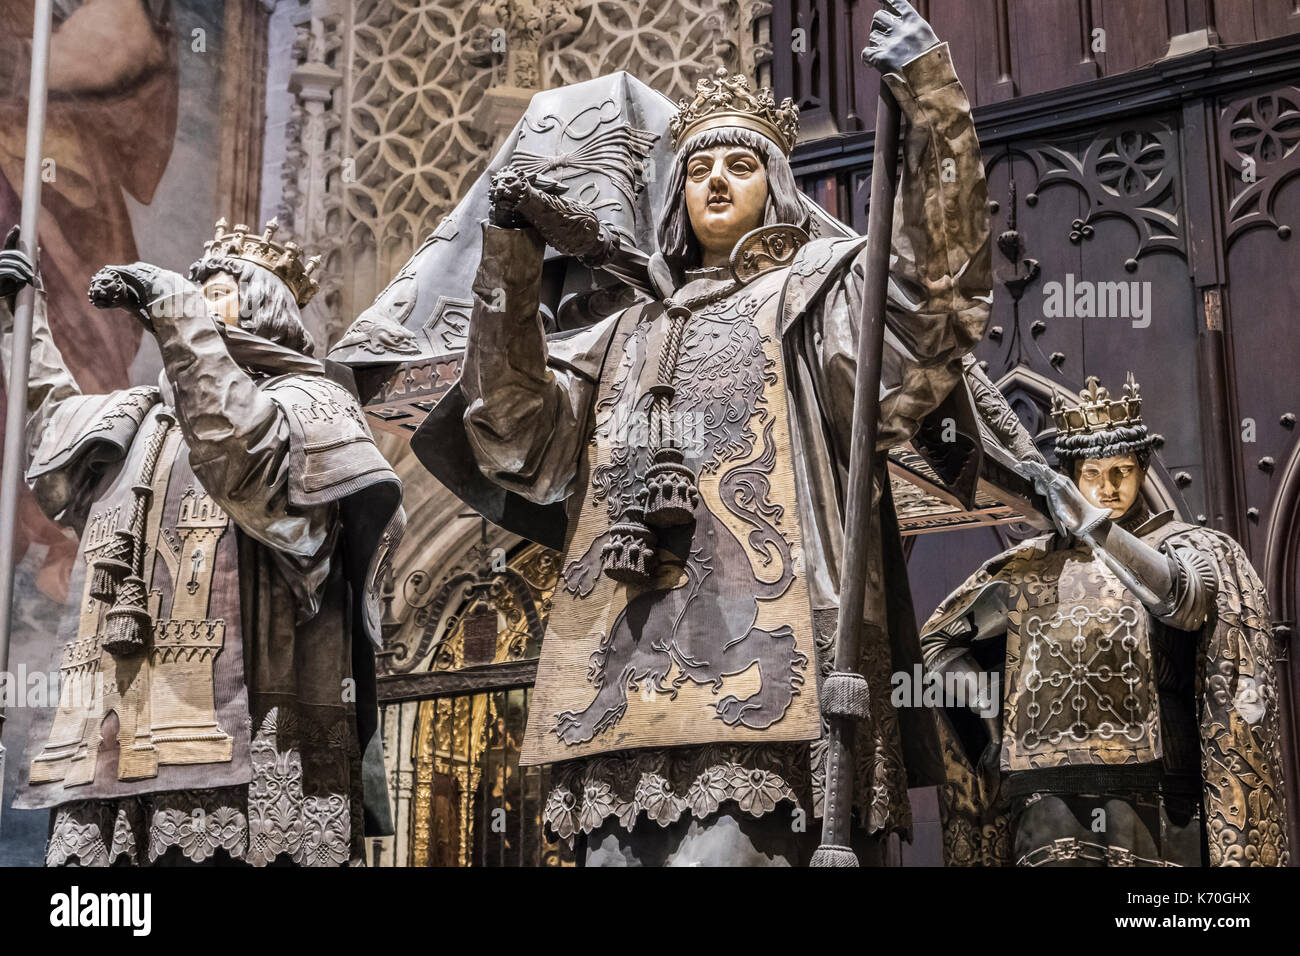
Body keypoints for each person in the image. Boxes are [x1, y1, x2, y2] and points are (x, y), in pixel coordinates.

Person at [412, 0, 991, 865]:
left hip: (772, 680)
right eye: (698, 168)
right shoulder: (620, 334)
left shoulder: (813, 300)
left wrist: (932, 100)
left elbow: (926, 307)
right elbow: (514, 437)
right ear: (675, 195)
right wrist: (509, 250)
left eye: (741, 165)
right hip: (615, 692)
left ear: (776, 186)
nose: (716, 180)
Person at [0, 219, 403, 865]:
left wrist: (173, 306)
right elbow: (54, 421)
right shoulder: (139, 416)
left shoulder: (308, 399)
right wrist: (18, 322)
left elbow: (242, 459)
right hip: (121, 717)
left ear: (267, 303)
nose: (197, 305)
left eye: (217, 292)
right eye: (195, 293)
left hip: (253, 710)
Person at [921, 375, 1289, 866]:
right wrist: (993, 723)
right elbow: (937, 644)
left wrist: (1093, 526)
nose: (1107, 487)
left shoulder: (1186, 547)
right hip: (1042, 791)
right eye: (1091, 472)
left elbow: (1185, 599)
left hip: (1158, 786)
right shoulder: (1030, 566)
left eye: (1121, 470)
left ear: (1141, 470)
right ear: (1073, 476)